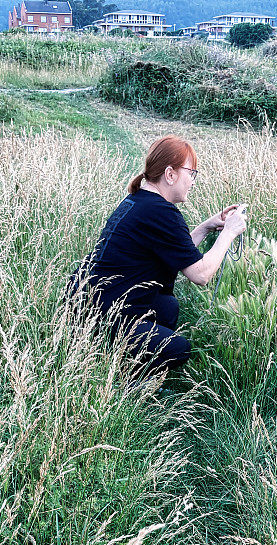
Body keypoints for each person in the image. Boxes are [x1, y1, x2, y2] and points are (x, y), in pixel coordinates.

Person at [70, 135, 247, 376]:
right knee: (178, 348)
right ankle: (128, 381)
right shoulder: (160, 212)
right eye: (191, 173)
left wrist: (206, 227)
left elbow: (178, 253)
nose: (193, 181)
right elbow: (201, 274)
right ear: (170, 174)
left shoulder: (141, 202)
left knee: (167, 306)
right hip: (105, 316)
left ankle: (129, 365)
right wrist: (229, 233)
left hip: (89, 307)